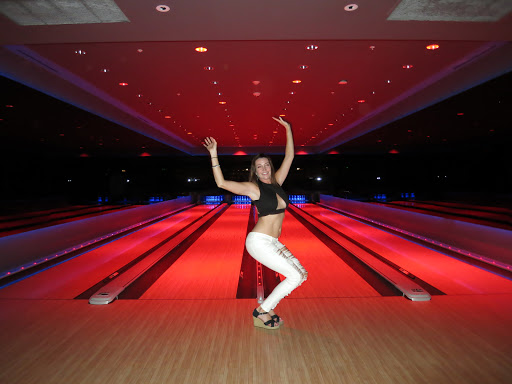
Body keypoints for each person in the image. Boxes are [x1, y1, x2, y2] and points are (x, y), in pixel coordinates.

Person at [203, 117, 308, 330]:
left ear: (270, 167)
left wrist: (288, 128)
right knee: (294, 276)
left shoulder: (278, 182)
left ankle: (266, 308)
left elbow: (290, 156)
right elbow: (221, 183)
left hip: (273, 241)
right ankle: (261, 311)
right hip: (259, 242)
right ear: (255, 170)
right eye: (259, 166)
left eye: (266, 165)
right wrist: (214, 153)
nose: (263, 169)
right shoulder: (254, 189)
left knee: (301, 275)